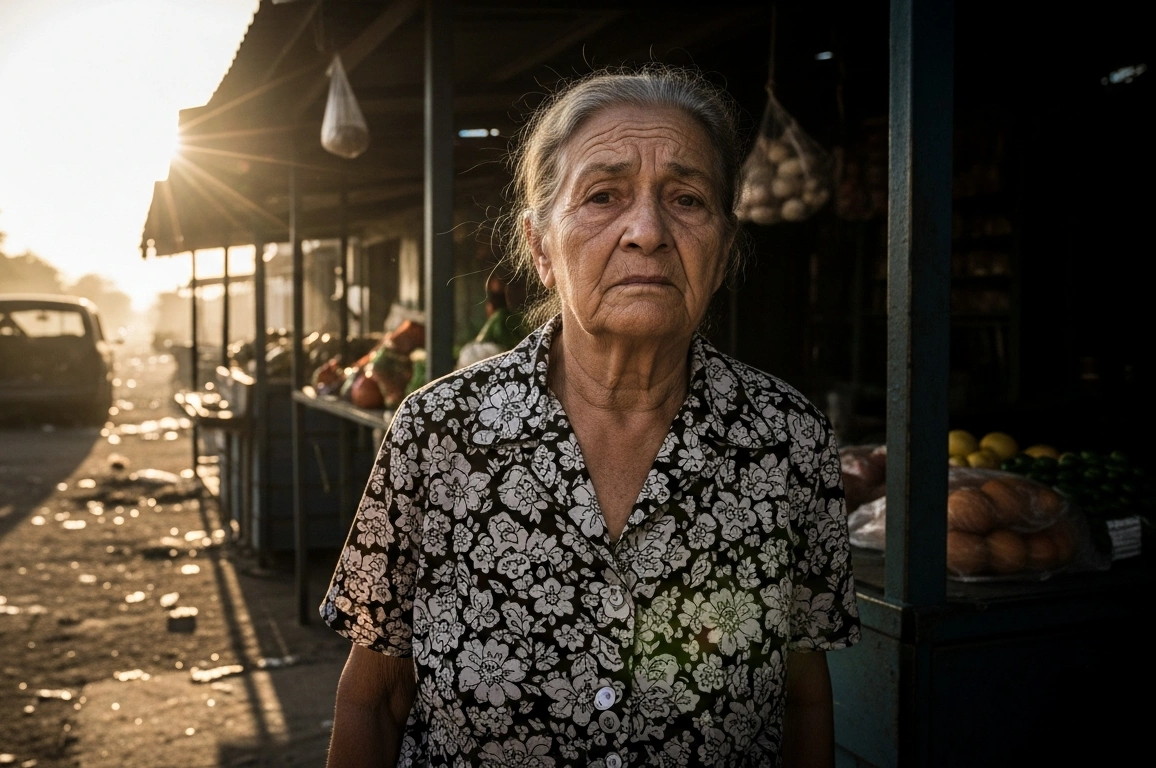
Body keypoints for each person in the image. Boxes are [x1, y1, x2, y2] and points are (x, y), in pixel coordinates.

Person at [322, 65, 859, 768]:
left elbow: (801, 699)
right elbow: (374, 698)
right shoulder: (437, 434)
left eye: (688, 199)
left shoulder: (787, 442)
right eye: (603, 195)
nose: (647, 231)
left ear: (723, 251)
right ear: (541, 248)